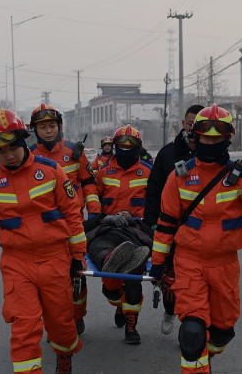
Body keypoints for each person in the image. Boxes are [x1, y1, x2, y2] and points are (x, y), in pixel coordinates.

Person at [149, 104, 242, 373]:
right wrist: (158, 262)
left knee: (223, 331)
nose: (210, 142)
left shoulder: (240, 177)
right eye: (206, 137)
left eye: (217, 138)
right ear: (197, 136)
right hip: (189, 262)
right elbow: (166, 224)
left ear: (227, 138)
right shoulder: (179, 176)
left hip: (224, 265)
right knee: (192, 333)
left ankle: (206, 354)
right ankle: (198, 357)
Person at [0, 108, 86, 374]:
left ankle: (64, 354)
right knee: (24, 325)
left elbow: (73, 216)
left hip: (55, 258)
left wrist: (78, 255)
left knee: (61, 324)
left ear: (23, 141)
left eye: (12, 148)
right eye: (1, 151)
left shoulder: (52, 171)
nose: (8, 155)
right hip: (16, 263)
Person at [29, 102, 100, 335]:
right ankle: (57, 325)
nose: (48, 130)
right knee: (49, 282)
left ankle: (77, 317)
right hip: (43, 231)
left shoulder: (74, 153)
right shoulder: (28, 157)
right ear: (35, 130)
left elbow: (89, 183)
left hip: (74, 226)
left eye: (51, 125)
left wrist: (95, 210)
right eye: (42, 127)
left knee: (77, 274)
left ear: (59, 126)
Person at [143, 104, 204, 335]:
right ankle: (170, 309)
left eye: (199, 125)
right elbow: (153, 190)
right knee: (170, 278)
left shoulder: (210, 155)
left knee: (194, 282)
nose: (193, 128)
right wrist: (150, 223)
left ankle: (191, 328)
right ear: (183, 124)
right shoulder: (167, 154)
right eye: (191, 123)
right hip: (169, 228)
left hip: (199, 233)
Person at [95, 124, 152, 345]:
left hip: (136, 229)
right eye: (121, 145)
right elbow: (93, 203)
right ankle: (116, 298)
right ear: (115, 147)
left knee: (133, 274)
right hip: (108, 226)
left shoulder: (148, 172)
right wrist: (104, 218)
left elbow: (156, 205)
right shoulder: (103, 173)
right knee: (102, 255)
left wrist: (136, 217)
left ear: (138, 147)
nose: (126, 149)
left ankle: (131, 324)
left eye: (131, 145)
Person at [85, 211, 152, 274]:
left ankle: (133, 262)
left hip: (130, 238)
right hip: (105, 235)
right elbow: (84, 227)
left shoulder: (138, 224)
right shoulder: (103, 221)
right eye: (120, 213)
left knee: (136, 249)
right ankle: (108, 259)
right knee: (100, 246)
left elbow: (154, 237)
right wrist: (105, 219)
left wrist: (134, 223)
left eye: (126, 214)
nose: (123, 215)